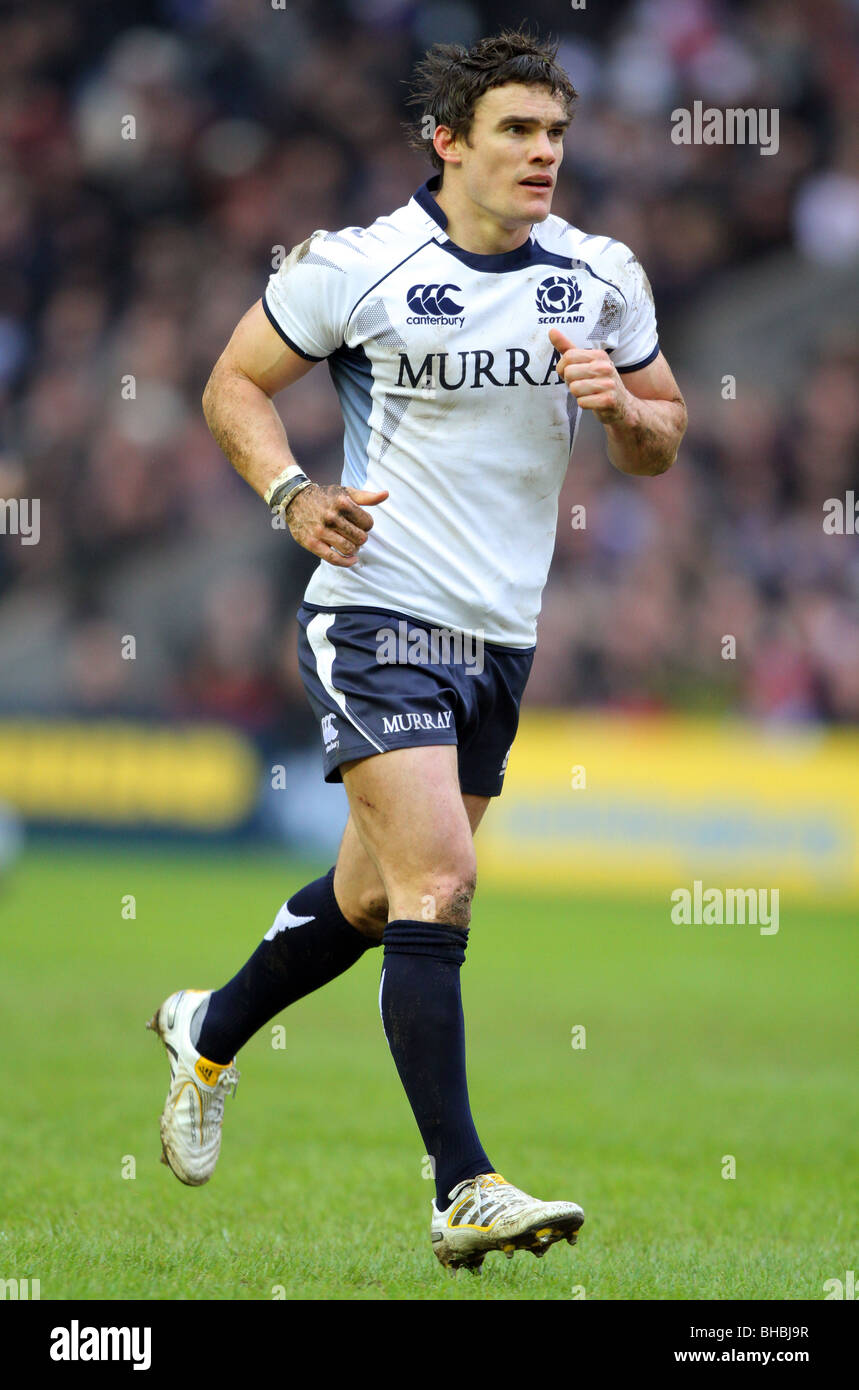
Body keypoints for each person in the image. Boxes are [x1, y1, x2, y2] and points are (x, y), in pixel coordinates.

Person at [147, 27, 687, 1274]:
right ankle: (463, 1184)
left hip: (502, 635)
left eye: (554, 132)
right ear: (449, 143)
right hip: (376, 612)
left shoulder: (599, 273)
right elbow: (234, 382)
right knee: (439, 883)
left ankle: (207, 1028)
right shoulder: (358, 266)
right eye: (515, 130)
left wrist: (622, 414)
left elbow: (663, 434)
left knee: (374, 899)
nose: (542, 153)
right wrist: (290, 495)